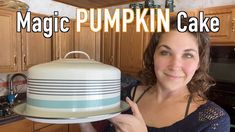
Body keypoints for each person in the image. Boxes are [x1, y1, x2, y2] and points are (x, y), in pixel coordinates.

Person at [79, 17, 231, 132]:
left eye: (188, 55)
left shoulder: (213, 121)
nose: (175, 65)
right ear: (153, 56)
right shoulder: (123, 94)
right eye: (165, 52)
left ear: (199, 63)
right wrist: (84, 122)